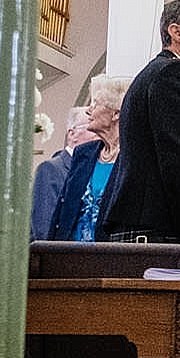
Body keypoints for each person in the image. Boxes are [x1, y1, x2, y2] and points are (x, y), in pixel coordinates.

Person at [98, 0, 180, 248]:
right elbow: (179, 156)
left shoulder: (157, 73)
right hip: (157, 232)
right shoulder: (173, 75)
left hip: (145, 227)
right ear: (176, 32)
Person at [44, 78, 128, 241]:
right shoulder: (84, 153)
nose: (89, 110)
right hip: (70, 255)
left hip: (108, 256)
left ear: (116, 114)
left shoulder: (131, 158)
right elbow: (62, 211)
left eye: (95, 104)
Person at [30, 105, 92, 240]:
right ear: (72, 133)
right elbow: (43, 228)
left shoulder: (91, 170)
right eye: (91, 127)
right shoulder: (50, 170)